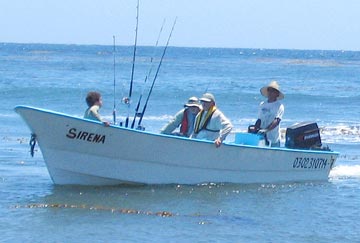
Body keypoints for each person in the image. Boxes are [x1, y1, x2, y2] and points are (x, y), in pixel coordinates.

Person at [252, 81, 285, 147]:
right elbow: (259, 119)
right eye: (269, 90)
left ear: (277, 94)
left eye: (272, 91)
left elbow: (277, 121)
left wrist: (266, 130)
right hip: (262, 138)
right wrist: (256, 129)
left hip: (274, 139)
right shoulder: (262, 104)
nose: (270, 92)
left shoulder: (279, 106)